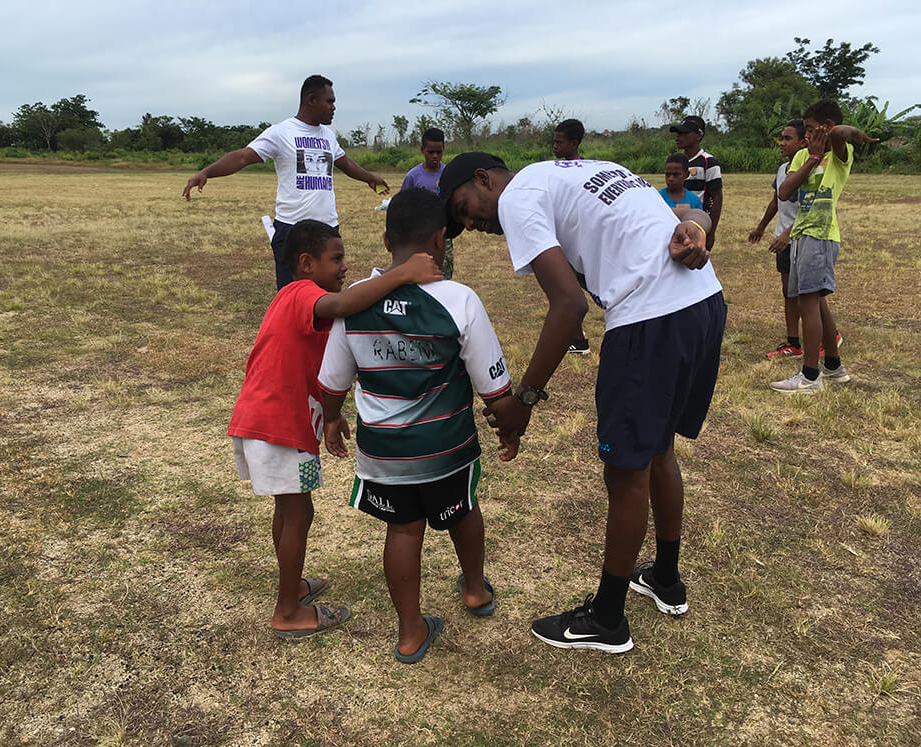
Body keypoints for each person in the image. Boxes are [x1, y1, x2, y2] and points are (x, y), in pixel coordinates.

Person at [440, 152, 724, 653]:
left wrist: (522, 402)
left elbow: (568, 304)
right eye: (462, 223)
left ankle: (608, 618)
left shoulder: (519, 197)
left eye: (465, 207)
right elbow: (679, 218)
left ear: (484, 180)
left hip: (651, 319)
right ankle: (665, 577)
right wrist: (699, 225)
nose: (473, 223)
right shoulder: (580, 171)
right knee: (658, 451)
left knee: (626, 472)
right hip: (703, 302)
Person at [318, 189, 515, 663]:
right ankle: (474, 591)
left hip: (384, 453)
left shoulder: (352, 305)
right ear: (441, 238)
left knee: (403, 531)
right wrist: (510, 427)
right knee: (464, 512)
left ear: (386, 240)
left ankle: (410, 633)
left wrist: (330, 418)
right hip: (448, 448)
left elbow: (332, 382)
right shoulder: (459, 299)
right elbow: (495, 388)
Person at [228, 219, 441, 638]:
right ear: (306, 263)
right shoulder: (304, 294)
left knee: (290, 511)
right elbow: (343, 306)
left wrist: (332, 414)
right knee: (298, 513)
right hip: (280, 427)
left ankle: (292, 586)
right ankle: (287, 612)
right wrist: (402, 273)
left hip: (269, 422)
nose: (345, 267)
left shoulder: (294, 297)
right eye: (337, 259)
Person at [182, 75, 391, 289]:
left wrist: (369, 178)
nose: (334, 107)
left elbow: (345, 163)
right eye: (329, 101)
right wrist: (207, 172)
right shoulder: (281, 133)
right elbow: (243, 157)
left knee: (327, 295)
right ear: (311, 100)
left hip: (328, 229)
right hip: (293, 231)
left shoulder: (328, 136)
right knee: (291, 296)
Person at [769, 101, 876, 393]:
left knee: (808, 304)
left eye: (812, 129)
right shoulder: (805, 154)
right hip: (801, 234)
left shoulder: (842, 154)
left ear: (826, 127)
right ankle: (833, 366)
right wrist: (812, 157)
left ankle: (810, 376)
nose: (807, 135)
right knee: (817, 303)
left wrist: (851, 130)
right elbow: (785, 192)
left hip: (822, 235)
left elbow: (841, 133)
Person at [748, 120, 819, 359]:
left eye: (788, 138)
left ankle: (826, 337)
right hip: (784, 239)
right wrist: (761, 226)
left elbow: (811, 208)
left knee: (808, 293)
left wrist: (788, 235)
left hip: (802, 238)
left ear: (803, 142)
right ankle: (793, 343)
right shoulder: (782, 170)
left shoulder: (812, 172)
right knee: (789, 291)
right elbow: (775, 201)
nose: (782, 142)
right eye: (782, 137)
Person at [551, 119, 592, 355]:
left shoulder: (580, 170)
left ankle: (577, 338)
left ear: (574, 143)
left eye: (560, 142)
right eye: (554, 141)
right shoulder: (560, 167)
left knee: (570, 291)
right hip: (565, 238)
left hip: (578, 239)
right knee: (568, 290)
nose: (555, 146)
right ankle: (577, 339)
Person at [399, 128, 454, 279]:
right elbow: (402, 205)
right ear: (422, 149)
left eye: (439, 152)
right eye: (431, 152)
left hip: (443, 233)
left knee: (443, 274)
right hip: (418, 234)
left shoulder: (449, 174)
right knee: (418, 274)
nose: (435, 156)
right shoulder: (413, 176)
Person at [671, 116, 722, 251]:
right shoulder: (677, 163)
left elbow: (717, 197)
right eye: (677, 133)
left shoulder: (708, 163)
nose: (678, 137)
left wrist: (711, 233)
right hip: (677, 223)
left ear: (699, 136)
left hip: (697, 225)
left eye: (684, 133)